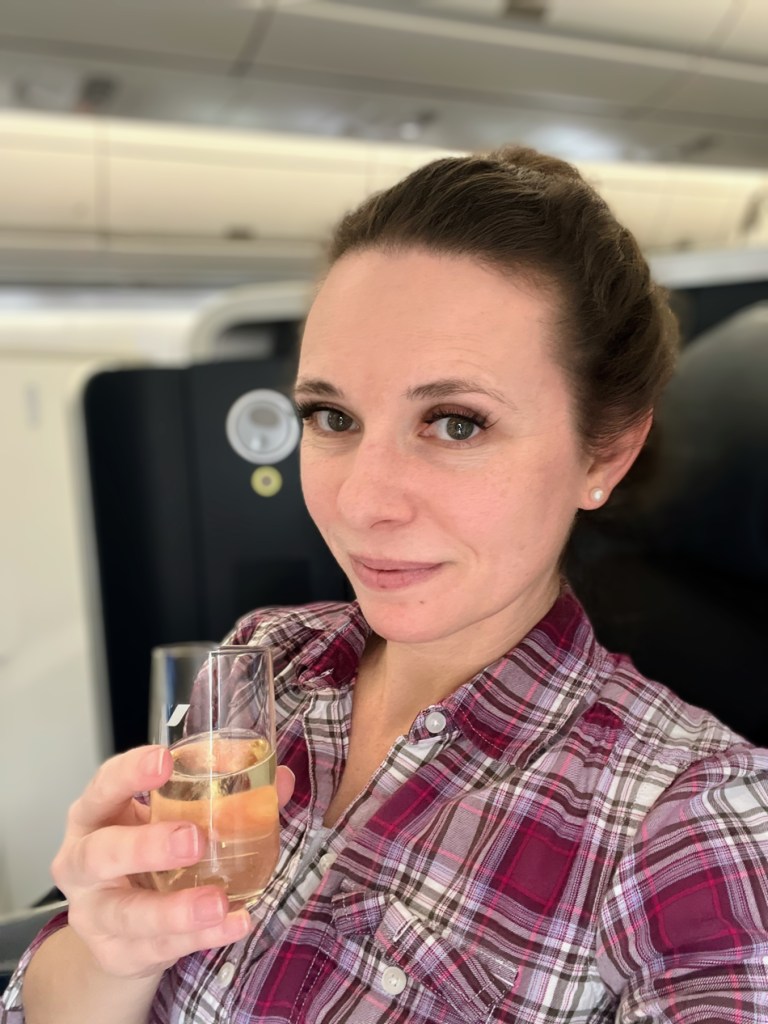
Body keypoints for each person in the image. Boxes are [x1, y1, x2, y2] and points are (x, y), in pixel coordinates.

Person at [3, 145, 767, 1024]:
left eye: (455, 423)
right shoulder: (266, 661)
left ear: (607, 453)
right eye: (332, 416)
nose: (362, 503)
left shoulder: (693, 821)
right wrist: (112, 948)